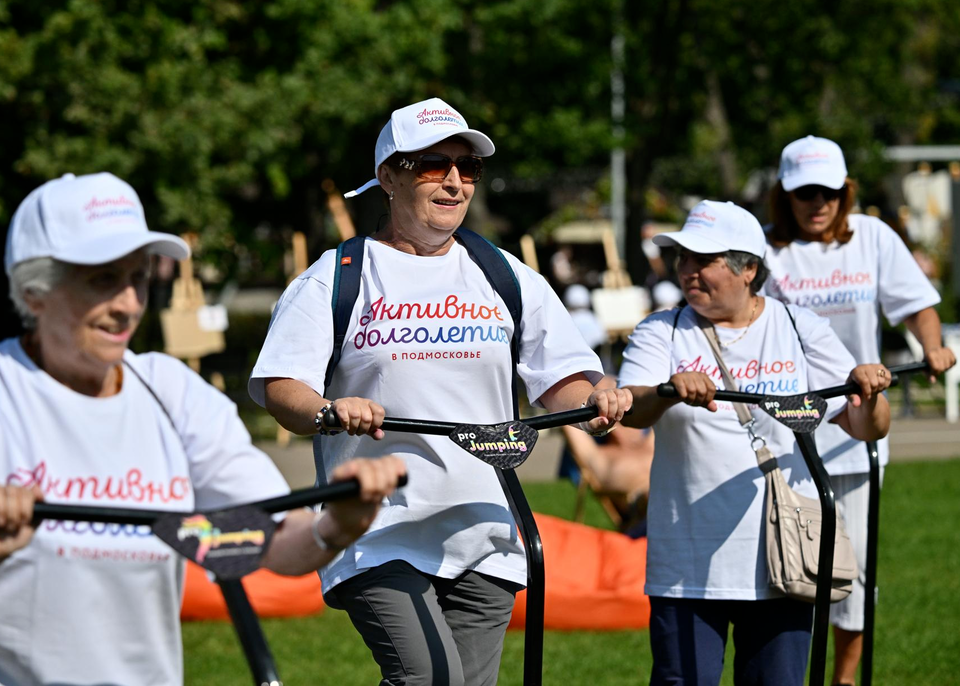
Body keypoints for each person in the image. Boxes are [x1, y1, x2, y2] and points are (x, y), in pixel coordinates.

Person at [249, 96, 632, 686]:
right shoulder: (338, 274)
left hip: (486, 530)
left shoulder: (502, 273)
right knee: (427, 678)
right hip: (378, 529)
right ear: (387, 177)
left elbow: (560, 381)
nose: (454, 182)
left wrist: (595, 400)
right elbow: (281, 387)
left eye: (467, 167)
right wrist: (329, 411)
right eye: (433, 165)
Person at [0, 172, 407, 686]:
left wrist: (339, 523)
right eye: (102, 279)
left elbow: (273, 542)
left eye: (139, 277)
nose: (128, 303)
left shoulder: (170, 392)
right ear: (34, 291)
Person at [617, 200, 892, 686]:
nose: (687, 270)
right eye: (682, 258)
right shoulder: (661, 330)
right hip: (687, 564)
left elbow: (868, 426)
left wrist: (867, 392)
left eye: (704, 260)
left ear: (749, 270)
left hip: (783, 560)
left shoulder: (799, 327)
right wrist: (666, 391)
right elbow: (632, 407)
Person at [763, 135, 957, 686]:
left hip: (859, 432)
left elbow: (916, 306)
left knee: (858, 571)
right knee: (790, 565)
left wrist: (932, 345)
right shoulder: (763, 248)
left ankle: (844, 680)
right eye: (804, 194)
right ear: (785, 196)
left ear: (845, 193)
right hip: (783, 435)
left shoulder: (871, 237)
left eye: (827, 192)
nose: (816, 204)